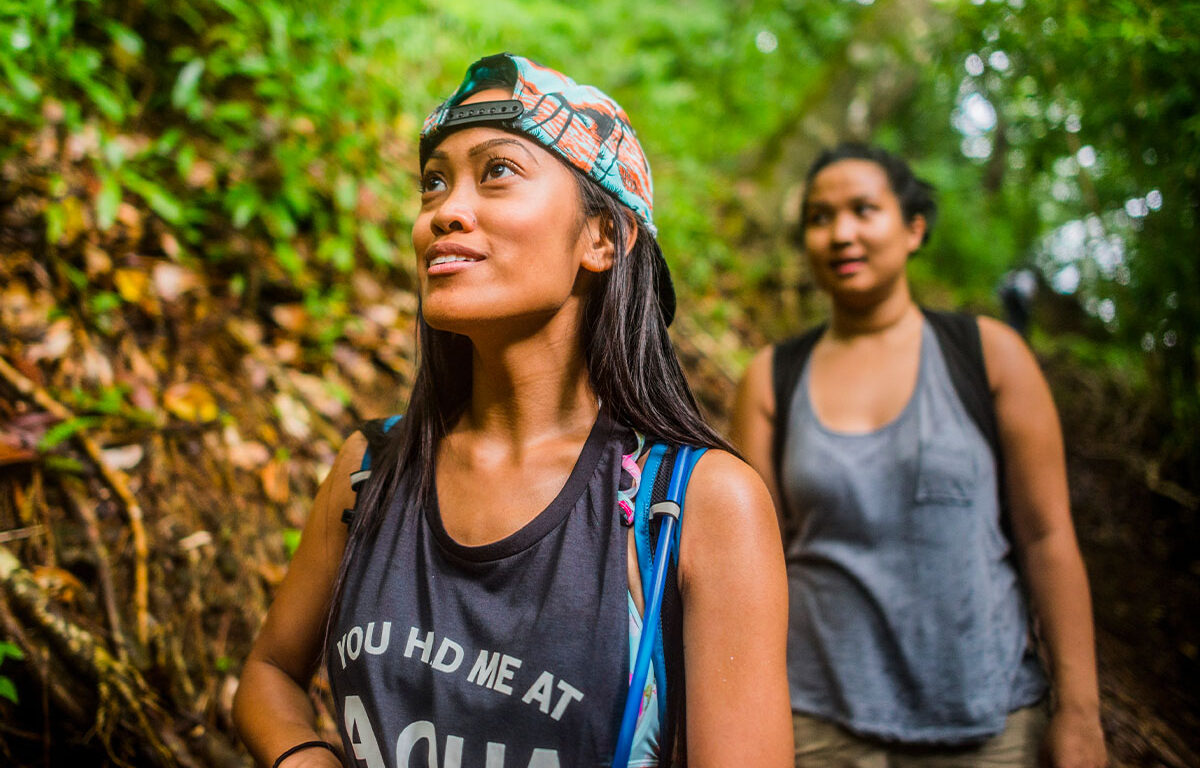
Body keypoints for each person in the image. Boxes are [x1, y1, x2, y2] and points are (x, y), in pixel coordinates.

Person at [233, 53, 792, 768]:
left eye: (497, 172)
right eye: (433, 183)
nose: (444, 212)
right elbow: (270, 674)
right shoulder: (371, 471)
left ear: (603, 238)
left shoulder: (697, 505)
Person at [731, 144, 1107, 768]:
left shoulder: (989, 355)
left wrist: (1080, 712)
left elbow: (1046, 535)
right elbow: (752, 566)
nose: (841, 233)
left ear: (913, 228)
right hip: (818, 723)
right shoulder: (771, 379)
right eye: (820, 218)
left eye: (863, 210)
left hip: (992, 723)